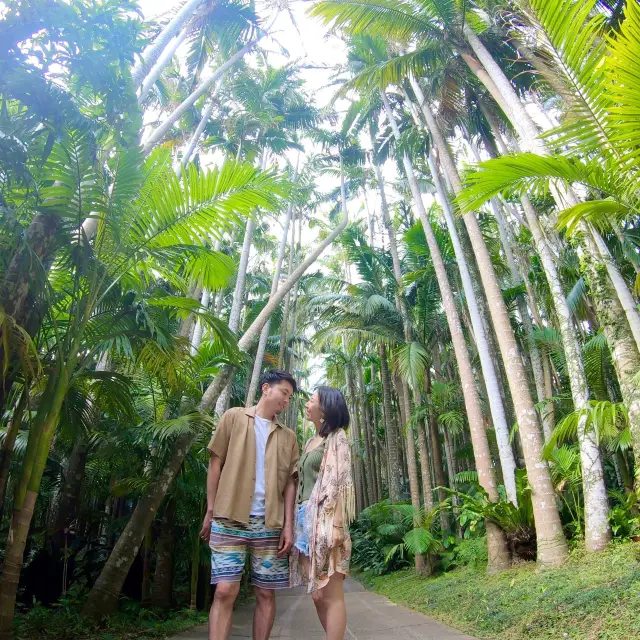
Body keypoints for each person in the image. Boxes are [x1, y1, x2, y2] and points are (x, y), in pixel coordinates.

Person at [199, 369, 300, 640]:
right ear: (266, 388)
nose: (287, 401)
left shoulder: (288, 436)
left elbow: (291, 483)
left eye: (290, 397)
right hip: (229, 517)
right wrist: (210, 510)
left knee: (265, 592)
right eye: (284, 393)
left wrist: (289, 527)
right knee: (224, 591)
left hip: (270, 523)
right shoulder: (233, 417)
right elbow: (215, 464)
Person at [290, 386, 355, 640]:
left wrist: (338, 524)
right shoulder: (310, 441)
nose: (307, 403)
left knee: (332, 591)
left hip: (327, 519)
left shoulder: (337, 437)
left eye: (312, 400)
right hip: (304, 522)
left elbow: (341, 480)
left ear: (325, 408)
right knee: (316, 593)